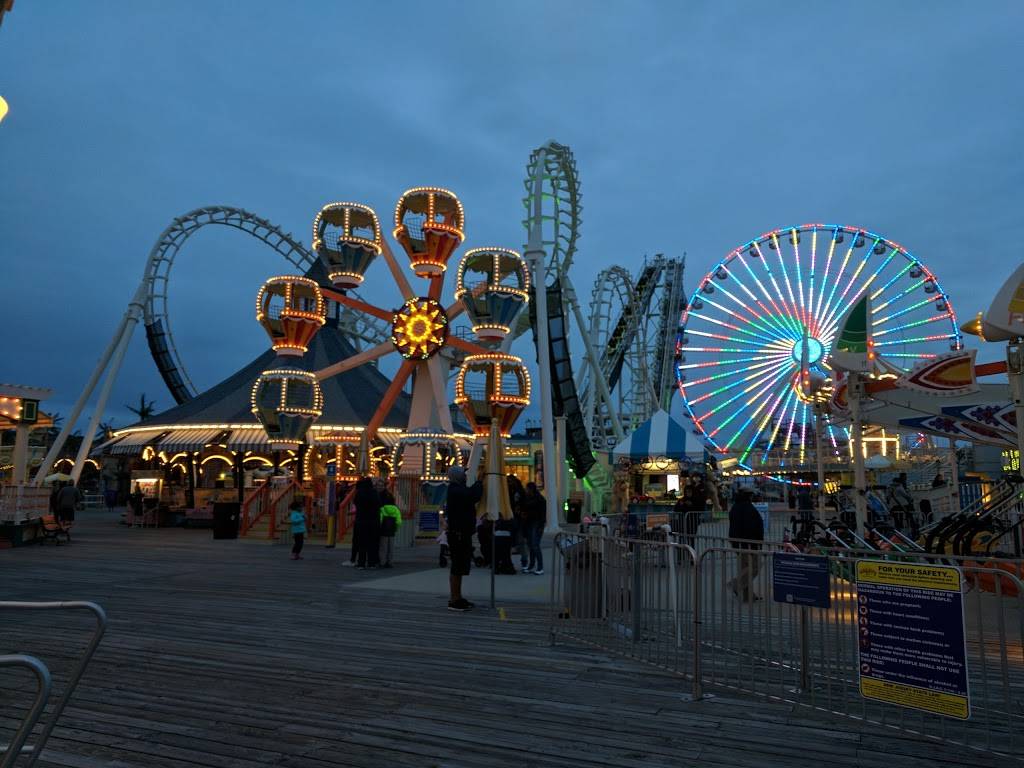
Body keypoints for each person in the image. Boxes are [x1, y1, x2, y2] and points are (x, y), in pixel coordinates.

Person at [445, 465, 482, 611]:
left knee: (459, 567)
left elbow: (470, 494)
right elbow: (473, 495)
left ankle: (457, 596)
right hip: (458, 534)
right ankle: (454, 599)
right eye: (464, 474)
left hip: (461, 533)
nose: (466, 476)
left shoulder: (457, 490)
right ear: (458, 477)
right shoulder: (455, 491)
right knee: (457, 566)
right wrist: (479, 482)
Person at [726, 490, 764, 602]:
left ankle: (748, 596)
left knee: (746, 567)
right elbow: (751, 526)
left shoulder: (736, 507)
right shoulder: (746, 508)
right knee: (754, 567)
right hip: (748, 543)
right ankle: (735, 584)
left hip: (739, 542)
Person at [352, 476, 381, 569]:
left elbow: (355, 502)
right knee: (372, 543)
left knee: (362, 543)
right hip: (373, 521)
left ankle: (361, 563)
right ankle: (371, 562)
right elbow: (378, 504)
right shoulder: (374, 493)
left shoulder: (360, 493)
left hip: (361, 520)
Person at [522, 482, 546, 575]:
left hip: (536, 523)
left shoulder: (539, 499)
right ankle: (533, 565)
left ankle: (539, 567)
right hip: (531, 523)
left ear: (531, 489)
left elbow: (541, 514)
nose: (526, 490)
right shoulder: (532, 498)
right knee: (532, 545)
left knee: (535, 545)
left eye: (527, 489)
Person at [379, 493, 402, 568]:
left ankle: (382, 562)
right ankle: (390, 562)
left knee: (383, 548)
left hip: (383, 531)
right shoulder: (396, 510)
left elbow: (380, 520)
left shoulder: (382, 509)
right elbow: (398, 522)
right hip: (392, 531)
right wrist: (396, 528)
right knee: (391, 547)